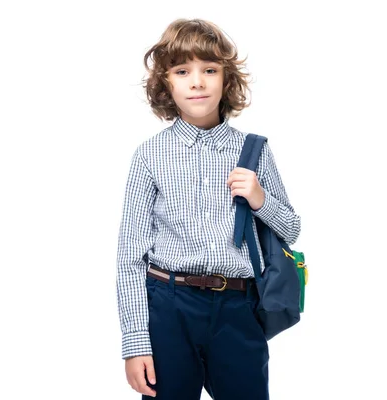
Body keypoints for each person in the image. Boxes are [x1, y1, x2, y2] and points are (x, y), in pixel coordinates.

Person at [116, 18, 301, 400]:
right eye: (183, 71)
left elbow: (292, 228)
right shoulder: (149, 155)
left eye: (209, 70)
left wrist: (260, 199)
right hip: (169, 304)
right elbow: (130, 256)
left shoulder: (254, 151)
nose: (197, 81)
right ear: (166, 83)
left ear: (226, 79)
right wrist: (135, 343)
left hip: (238, 306)